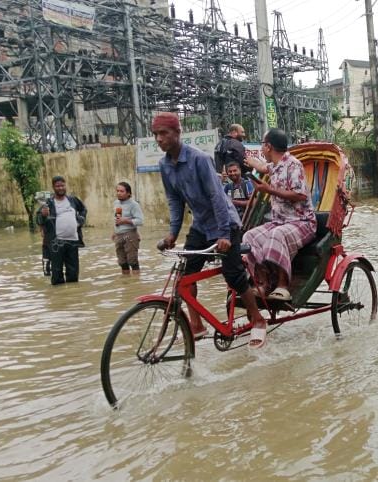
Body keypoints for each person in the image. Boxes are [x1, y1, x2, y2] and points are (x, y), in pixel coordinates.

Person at [153, 112, 266, 348]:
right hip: (201, 226)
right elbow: (175, 201)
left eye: (164, 133)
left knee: (233, 274)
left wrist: (224, 235)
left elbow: (217, 198)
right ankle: (196, 325)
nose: (159, 139)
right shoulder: (164, 165)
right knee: (185, 276)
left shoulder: (199, 159)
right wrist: (173, 234)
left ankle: (257, 319)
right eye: (155, 134)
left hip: (225, 222)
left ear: (177, 133)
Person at [243, 128, 317, 303]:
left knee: (277, 234)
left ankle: (283, 286)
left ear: (268, 146)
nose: (261, 149)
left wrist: (268, 189)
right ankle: (263, 282)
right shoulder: (274, 166)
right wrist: (250, 162)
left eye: (262, 145)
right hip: (280, 221)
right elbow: (261, 167)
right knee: (249, 237)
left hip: (302, 222)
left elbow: (300, 195)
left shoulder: (293, 165)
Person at [36, 176, 87, 286]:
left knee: (73, 273)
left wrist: (80, 221)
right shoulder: (48, 203)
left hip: (73, 241)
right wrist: (43, 215)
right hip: (56, 243)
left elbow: (83, 209)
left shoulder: (73, 200)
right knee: (57, 273)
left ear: (65, 186)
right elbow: (38, 220)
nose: (60, 188)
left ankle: (72, 297)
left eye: (62, 185)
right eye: (57, 186)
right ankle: (59, 298)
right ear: (53, 187)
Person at [112, 181, 144, 275]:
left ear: (128, 193)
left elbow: (140, 221)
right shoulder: (116, 203)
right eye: (117, 191)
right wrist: (114, 232)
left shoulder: (134, 205)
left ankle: (136, 283)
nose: (119, 193)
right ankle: (126, 284)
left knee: (132, 261)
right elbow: (116, 219)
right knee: (122, 262)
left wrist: (125, 221)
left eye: (122, 191)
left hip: (129, 234)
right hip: (119, 235)